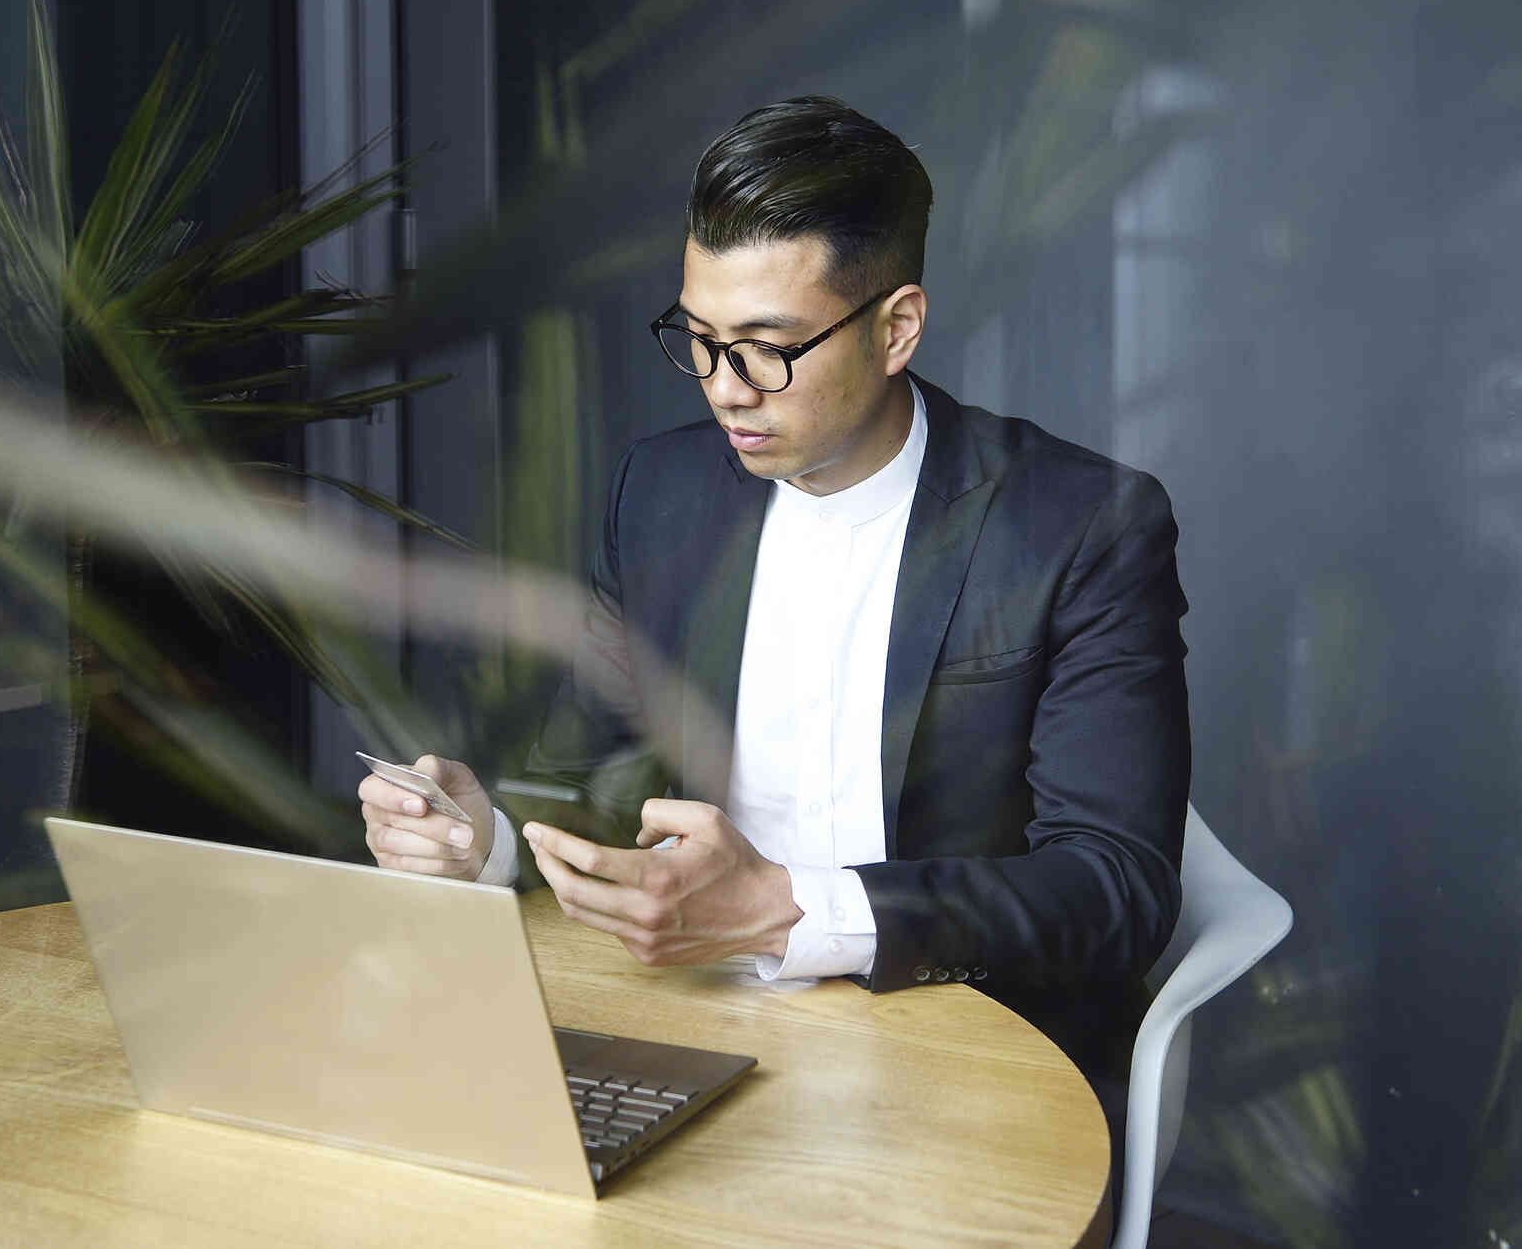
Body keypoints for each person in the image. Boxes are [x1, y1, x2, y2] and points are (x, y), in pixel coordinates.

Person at [360, 94, 1191, 1135]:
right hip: (683, 1032)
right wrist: (481, 835)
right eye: (698, 339)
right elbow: (587, 779)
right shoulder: (661, 493)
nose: (724, 390)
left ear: (896, 327)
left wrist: (793, 909)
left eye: (766, 346)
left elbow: (1115, 889)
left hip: (958, 1055)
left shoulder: (1078, 524)